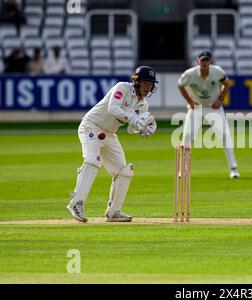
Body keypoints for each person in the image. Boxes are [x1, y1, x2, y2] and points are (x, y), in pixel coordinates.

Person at [67, 66, 159, 223]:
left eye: (150, 85)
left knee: (124, 171)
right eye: (144, 83)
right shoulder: (122, 88)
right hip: (91, 125)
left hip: (109, 134)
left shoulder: (143, 105)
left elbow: (131, 128)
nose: (147, 88)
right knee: (93, 159)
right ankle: (76, 204)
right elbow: (113, 109)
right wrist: (133, 119)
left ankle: (113, 212)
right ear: (136, 82)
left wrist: (142, 129)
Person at [178, 51, 240, 179]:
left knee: (224, 135)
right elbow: (180, 85)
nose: (204, 63)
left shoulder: (217, 71)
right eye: (202, 60)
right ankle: (182, 170)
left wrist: (220, 99)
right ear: (197, 62)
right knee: (188, 136)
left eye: (207, 60)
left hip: (213, 107)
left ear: (210, 62)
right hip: (196, 108)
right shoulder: (190, 74)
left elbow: (227, 84)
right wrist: (190, 101)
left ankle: (233, 169)